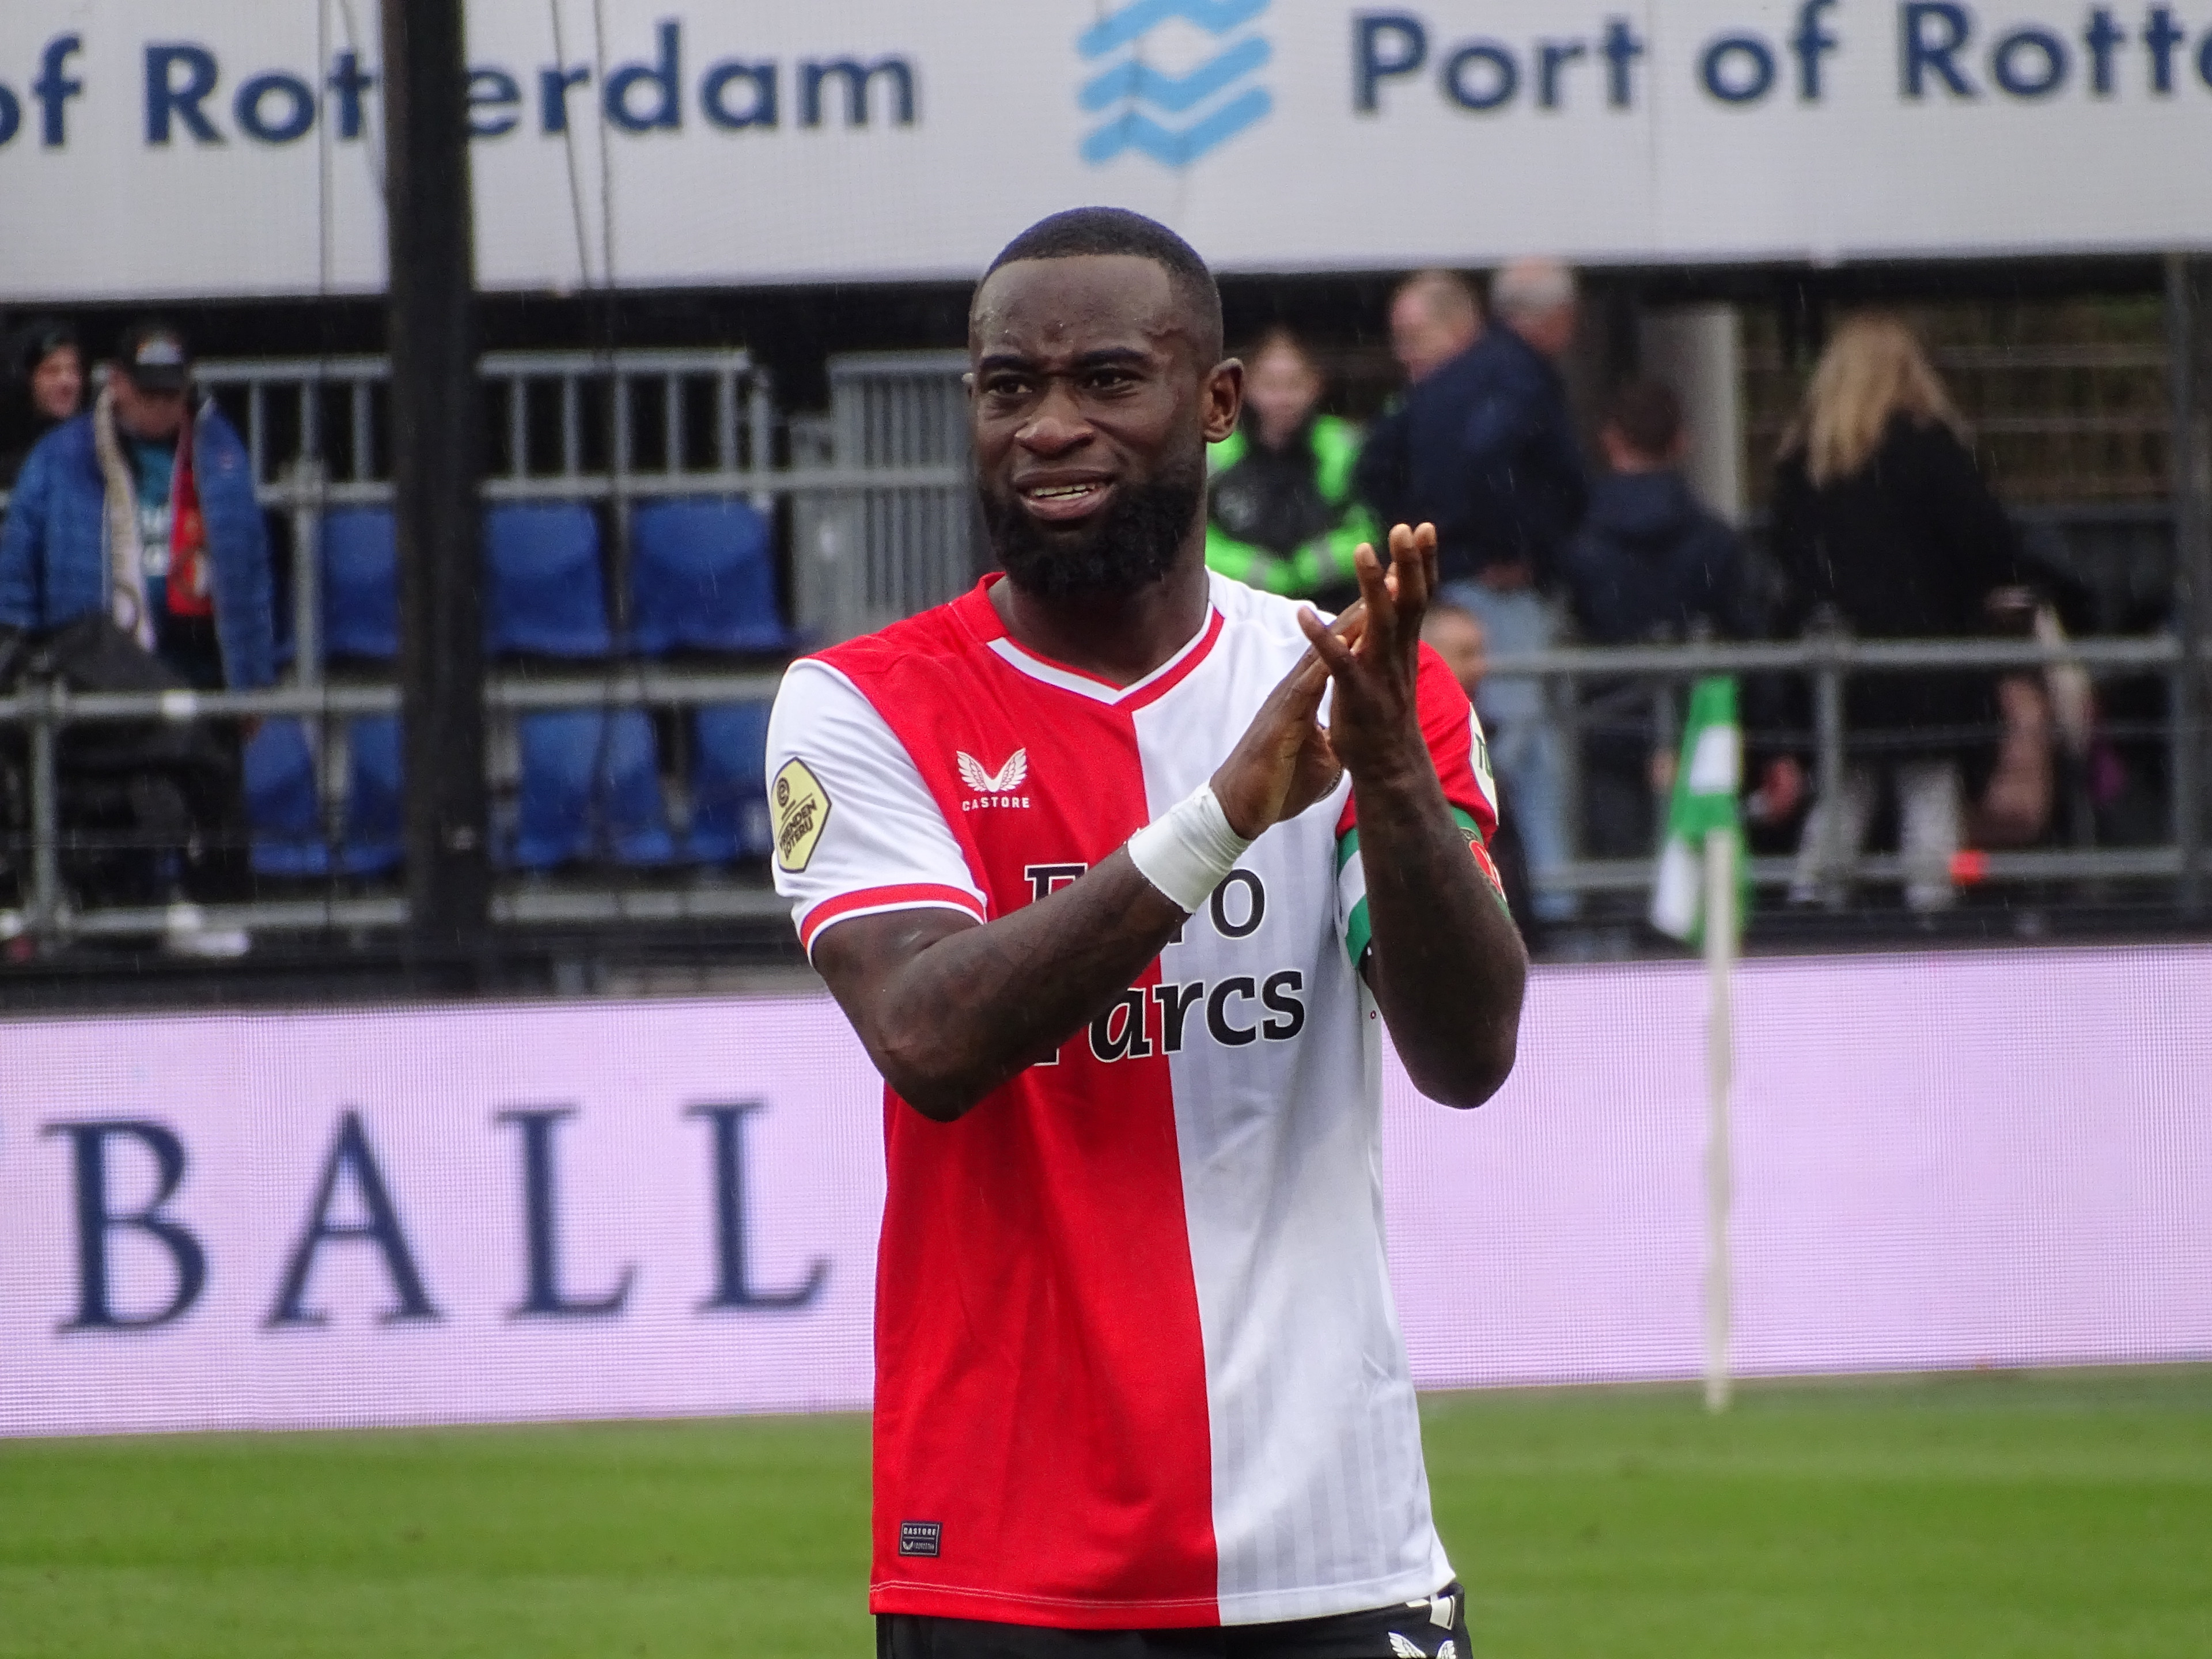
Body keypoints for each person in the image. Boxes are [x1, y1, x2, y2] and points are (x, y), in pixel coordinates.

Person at [766, 207, 1525, 1658]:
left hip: (1334, 1550)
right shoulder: (861, 704)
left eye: (1106, 380)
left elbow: (1468, 1050)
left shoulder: (1361, 686)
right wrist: (1217, 820)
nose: (1049, 425)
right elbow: (927, 1037)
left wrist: (1390, 777)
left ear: (1217, 405)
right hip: (1001, 1565)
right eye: (1009, 388)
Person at [0, 321, 275, 950]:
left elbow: (249, 568)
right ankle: (127, 923)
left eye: (170, 395)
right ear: (117, 385)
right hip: (101, 660)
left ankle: (217, 913)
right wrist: (14, 643)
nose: (159, 409)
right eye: (146, 394)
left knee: (212, 780)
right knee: (124, 796)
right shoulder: (60, 459)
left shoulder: (222, 453)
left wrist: (253, 674)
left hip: (199, 660)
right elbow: (18, 562)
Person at [1357, 260, 1588, 922]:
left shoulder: (1432, 396)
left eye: (1414, 334)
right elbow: (1524, 468)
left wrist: (1427, 541)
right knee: (1524, 748)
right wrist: (1515, 547)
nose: (1405, 352)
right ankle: (1553, 908)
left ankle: (1481, 900)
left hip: (1441, 585)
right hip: (1495, 588)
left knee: (1462, 742)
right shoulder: (1510, 377)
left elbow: (1378, 470)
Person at [1769, 313, 2024, 911]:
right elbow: (1991, 546)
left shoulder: (1806, 462)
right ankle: (1930, 924)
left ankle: (1811, 916)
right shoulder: (1931, 450)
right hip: (1923, 660)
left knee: (1841, 795)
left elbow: (1787, 561)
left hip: (1839, 663)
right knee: (1929, 795)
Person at [1559, 378, 1795, 857]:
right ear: (1683, 441)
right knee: (1704, 882)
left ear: (1611, 441)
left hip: (1609, 736)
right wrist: (1774, 744)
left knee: (1617, 886)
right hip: (1701, 734)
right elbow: (1752, 645)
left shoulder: (1577, 549)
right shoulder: (1718, 543)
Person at [1203, 328, 1377, 603]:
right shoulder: (1215, 450)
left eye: (1294, 385)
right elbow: (1193, 536)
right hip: (1237, 603)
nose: (1282, 398)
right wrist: (1253, 568)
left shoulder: (1345, 445)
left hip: (1330, 603)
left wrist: (1310, 566)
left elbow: (1370, 526)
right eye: (1271, 385)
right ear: (1246, 389)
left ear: (1316, 385)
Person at [1421, 597, 1536, 934]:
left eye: (1481, 653)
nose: (1481, 667)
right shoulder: (1402, 755)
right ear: (1429, 659)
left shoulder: (1484, 743)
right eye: (1467, 654)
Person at [0, 317, 85, 490]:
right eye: (52, 371)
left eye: (73, 370)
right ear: (27, 380)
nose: (67, 382)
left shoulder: (96, 443)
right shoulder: (10, 458)